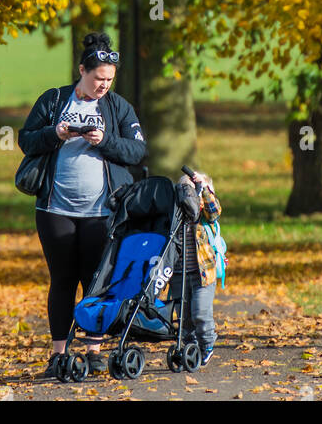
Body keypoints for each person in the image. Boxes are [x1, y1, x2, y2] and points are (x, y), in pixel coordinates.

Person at [17, 31, 146, 378]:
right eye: (98, 78)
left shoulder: (118, 107)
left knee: (95, 280)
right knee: (62, 279)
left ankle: (94, 350)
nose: (104, 85)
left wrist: (105, 141)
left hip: (101, 212)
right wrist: (55, 134)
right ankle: (59, 354)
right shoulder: (54, 100)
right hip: (55, 209)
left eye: (109, 80)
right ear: (82, 71)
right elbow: (25, 140)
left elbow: (136, 151)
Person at [158, 169, 222, 366]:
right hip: (178, 273)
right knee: (184, 318)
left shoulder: (203, 214)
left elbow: (214, 211)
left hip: (203, 274)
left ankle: (207, 343)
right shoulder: (176, 216)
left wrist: (203, 189)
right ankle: (190, 347)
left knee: (201, 314)